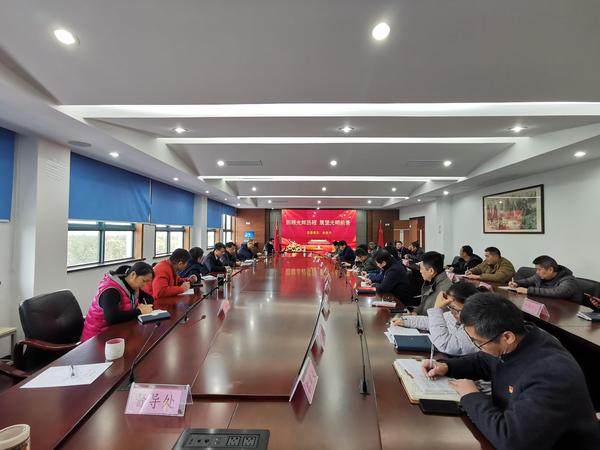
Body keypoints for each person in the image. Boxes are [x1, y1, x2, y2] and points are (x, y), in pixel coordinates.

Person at [422, 293, 600, 450]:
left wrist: (471, 396)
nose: (477, 346)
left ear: (507, 337)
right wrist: (447, 366)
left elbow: (513, 441)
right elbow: (484, 360)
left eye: (478, 342)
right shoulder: (520, 337)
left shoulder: (551, 375)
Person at [392, 282, 482, 356]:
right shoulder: (453, 314)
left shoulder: (478, 326)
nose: (452, 312)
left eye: (455, 309)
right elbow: (432, 322)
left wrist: (437, 309)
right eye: (449, 307)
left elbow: (445, 345)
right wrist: (406, 321)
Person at [81, 262, 155, 341]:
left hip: (116, 333)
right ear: (133, 275)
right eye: (144, 281)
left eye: (148, 282)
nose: (145, 285)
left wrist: (143, 306)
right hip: (96, 339)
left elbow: (149, 299)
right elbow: (112, 319)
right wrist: (139, 311)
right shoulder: (111, 291)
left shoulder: (132, 286)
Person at [508, 255, 582, 304]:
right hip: (546, 306)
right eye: (536, 269)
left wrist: (528, 291)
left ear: (550, 270)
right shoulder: (540, 276)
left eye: (539, 269)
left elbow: (557, 292)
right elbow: (528, 281)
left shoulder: (569, 280)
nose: (537, 272)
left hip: (566, 313)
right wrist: (517, 283)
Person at [413, 251, 452, 315]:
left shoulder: (444, 290)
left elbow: (434, 317)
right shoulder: (432, 281)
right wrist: (415, 312)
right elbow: (424, 303)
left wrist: (413, 318)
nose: (420, 271)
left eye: (421, 268)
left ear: (431, 271)